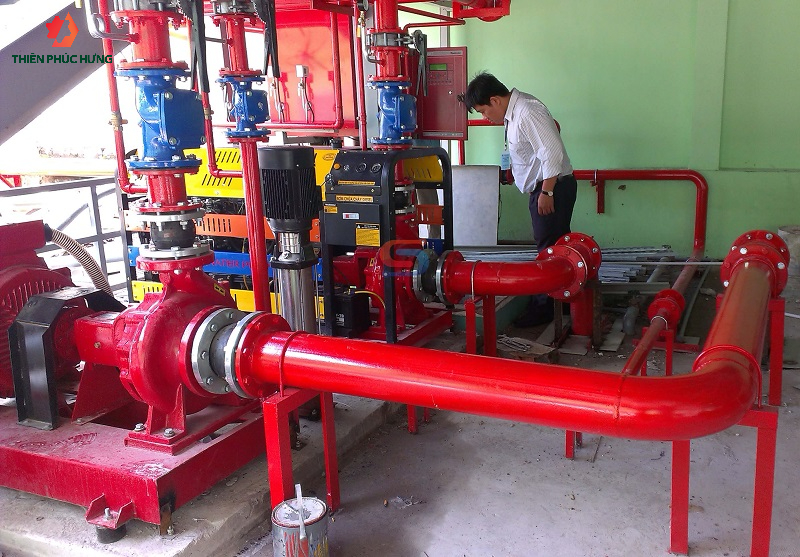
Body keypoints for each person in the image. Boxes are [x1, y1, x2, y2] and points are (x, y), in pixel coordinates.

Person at [462, 71, 578, 326]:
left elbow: (552, 153)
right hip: (545, 188)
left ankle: (544, 309)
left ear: (495, 100)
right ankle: (563, 304)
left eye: (483, 111)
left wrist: (547, 192)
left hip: (552, 189)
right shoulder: (515, 113)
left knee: (548, 250)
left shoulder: (527, 111)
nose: (485, 117)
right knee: (554, 248)